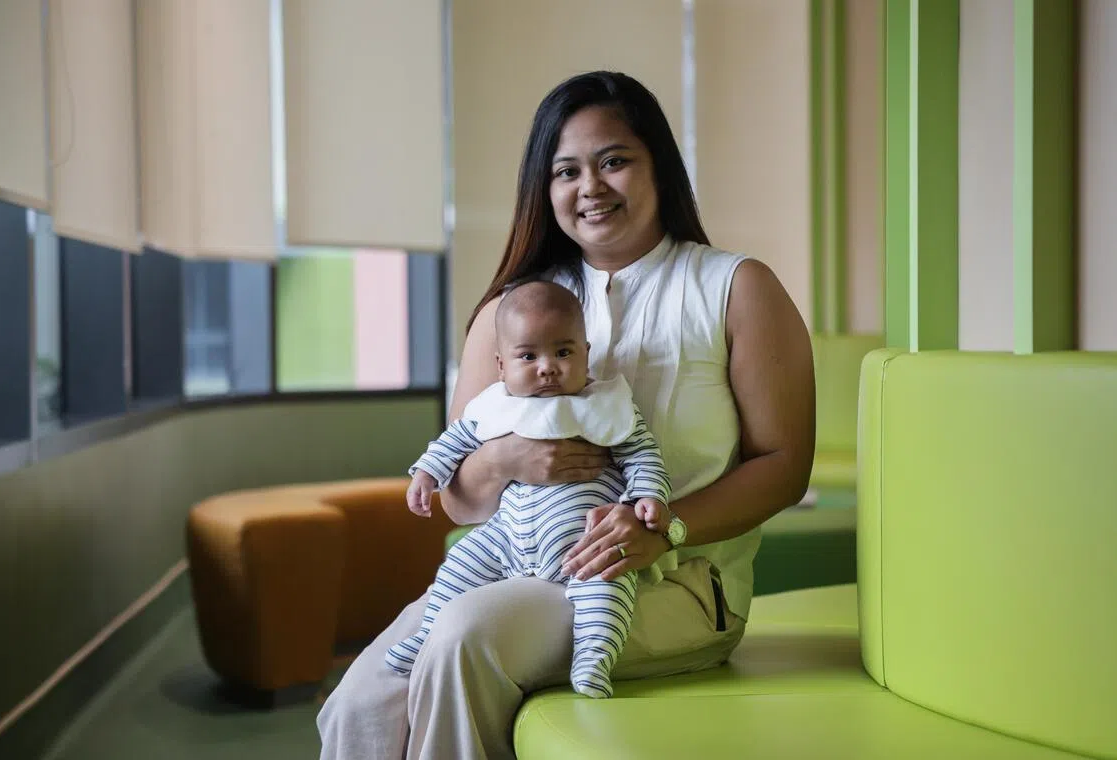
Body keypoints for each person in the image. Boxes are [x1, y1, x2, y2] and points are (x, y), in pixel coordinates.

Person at [318, 70, 815, 760]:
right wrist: (504, 459)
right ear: (543, 188)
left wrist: (665, 528)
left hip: (675, 587)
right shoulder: (510, 312)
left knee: (463, 638)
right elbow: (458, 501)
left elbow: (785, 467)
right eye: (566, 171)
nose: (590, 187)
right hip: (514, 570)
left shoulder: (736, 288)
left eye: (613, 161)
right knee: (359, 700)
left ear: (659, 168)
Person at [386, 280, 673, 699]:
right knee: (459, 564)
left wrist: (648, 496)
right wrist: (426, 474)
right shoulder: (495, 407)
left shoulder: (604, 405)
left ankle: (594, 659)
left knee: (608, 585)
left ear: (586, 353)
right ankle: (426, 638)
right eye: (528, 356)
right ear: (501, 366)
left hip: (584, 541)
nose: (547, 367)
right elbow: (455, 441)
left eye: (563, 352)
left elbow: (642, 453)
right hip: (506, 538)